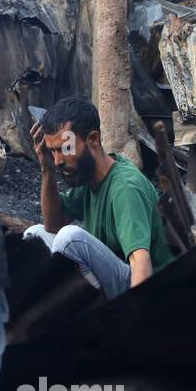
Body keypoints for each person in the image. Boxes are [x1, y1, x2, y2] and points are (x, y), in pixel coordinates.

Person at [24, 96, 175, 299]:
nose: (58, 160)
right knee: (35, 235)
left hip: (150, 289)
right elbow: (52, 225)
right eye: (53, 151)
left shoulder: (125, 188)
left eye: (65, 149)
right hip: (117, 277)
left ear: (93, 139)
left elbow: (141, 262)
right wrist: (46, 167)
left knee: (69, 239)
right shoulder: (89, 175)